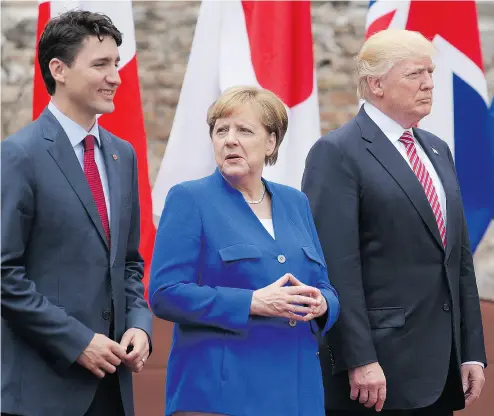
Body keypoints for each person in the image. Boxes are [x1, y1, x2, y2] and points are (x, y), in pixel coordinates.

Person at [302, 29, 486, 416]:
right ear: (376, 84)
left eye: (431, 73)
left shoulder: (437, 149)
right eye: (415, 74)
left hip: (440, 370)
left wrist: (471, 352)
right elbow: (336, 266)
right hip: (376, 374)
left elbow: (458, 259)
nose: (429, 84)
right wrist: (359, 358)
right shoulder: (337, 153)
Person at [149, 86, 340, 416]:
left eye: (244, 130)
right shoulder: (189, 199)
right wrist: (253, 302)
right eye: (221, 130)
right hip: (222, 396)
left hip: (297, 394)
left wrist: (324, 304)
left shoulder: (295, 202)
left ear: (271, 142)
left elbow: (324, 285)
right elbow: (165, 293)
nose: (229, 140)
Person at [1, 10, 152, 416]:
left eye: (116, 63)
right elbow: (4, 273)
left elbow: (130, 264)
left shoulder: (124, 155)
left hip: (113, 389)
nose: (116, 77)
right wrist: (76, 341)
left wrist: (139, 323)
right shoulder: (18, 155)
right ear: (59, 69)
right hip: (41, 392)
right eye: (101, 64)